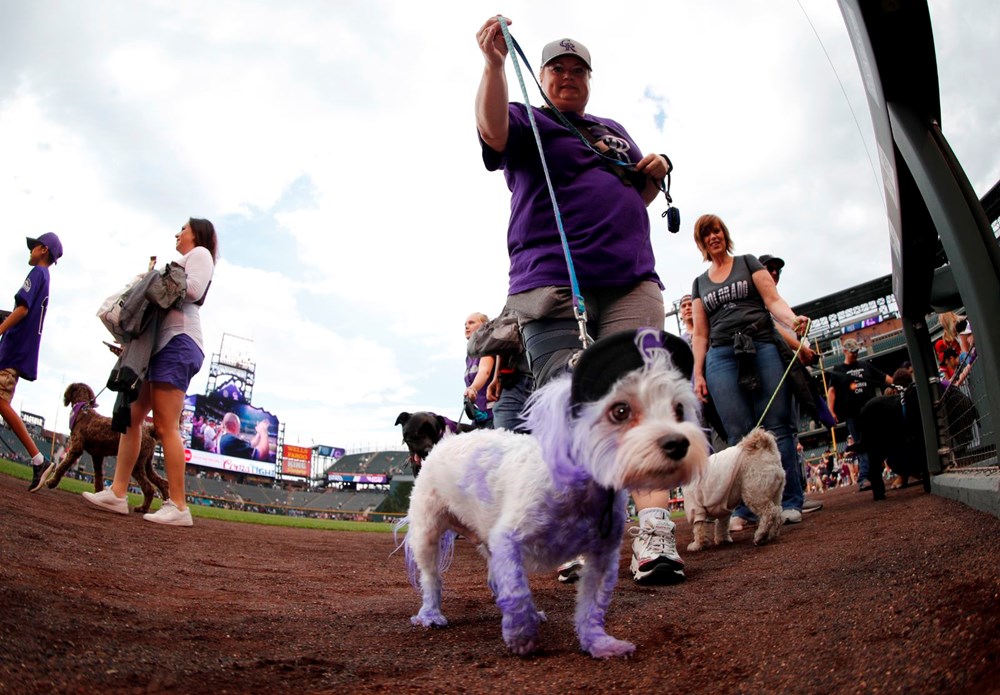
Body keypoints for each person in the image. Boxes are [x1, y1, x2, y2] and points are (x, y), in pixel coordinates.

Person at [476, 18, 682, 584]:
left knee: (644, 398)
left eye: (578, 70)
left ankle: (656, 536)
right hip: (553, 281)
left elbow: (632, 195)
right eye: (557, 69)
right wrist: (493, 65)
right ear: (541, 78)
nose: (568, 77)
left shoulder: (612, 129)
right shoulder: (529, 119)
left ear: (589, 80)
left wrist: (653, 172)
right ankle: (571, 530)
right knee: (568, 406)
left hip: (631, 279)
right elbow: (492, 131)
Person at [84, 218, 217, 526]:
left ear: (197, 233)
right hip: (162, 345)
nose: (177, 232)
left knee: (165, 424)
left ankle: (179, 505)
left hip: (179, 342)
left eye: (183, 228)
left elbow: (194, 290)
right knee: (132, 415)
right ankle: (117, 493)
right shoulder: (182, 259)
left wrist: (153, 281)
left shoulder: (200, 254)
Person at [690, 214, 811, 526]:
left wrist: (793, 319)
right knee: (737, 433)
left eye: (716, 231)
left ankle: (789, 501)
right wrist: (698, 373)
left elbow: (773, 300)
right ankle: (746, 507)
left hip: (760, 344)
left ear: (723, 233)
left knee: (778, 425)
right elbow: (700, 334)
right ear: (701, 243)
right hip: (721, 355)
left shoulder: (748, 263)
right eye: (706, 235)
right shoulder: (700, 283)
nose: (713, 237)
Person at [758, 253, 822, 514]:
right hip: (771, 372)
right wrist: (800, 347)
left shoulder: (777, 303)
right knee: (780, 433)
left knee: (789, 434)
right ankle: (785, 499)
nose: (774, 272)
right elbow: (773, 330)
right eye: (768, 268)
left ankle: (793, 496)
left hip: (787, 370)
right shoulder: (759, 301)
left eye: (777, 269)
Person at [2, 233, 63, 492]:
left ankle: (39, 460)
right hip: (19, 349)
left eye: (34, 247)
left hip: (13, 348)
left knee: (1, 403)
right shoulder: (45, 277)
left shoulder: (37, 273)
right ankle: (39, 460)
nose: (30, 250)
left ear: (43, 250)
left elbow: (23, 309)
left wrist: (1, 327)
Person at [825, 338, 892, 492]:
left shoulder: (864, 366)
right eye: (852, 352)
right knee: (861, 445)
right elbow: (832, 391)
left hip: (870, 411)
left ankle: (872, 476)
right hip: (851, 414)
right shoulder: (838, 369)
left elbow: (882, 377)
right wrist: (831, 411)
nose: (855, 355)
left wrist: (898, 383)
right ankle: (864, 479)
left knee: (874, 443)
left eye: (856, 352)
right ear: (845, 351)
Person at [463, 313, 495, 428]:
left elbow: (484, 371)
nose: (466, 326)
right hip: (479, 416)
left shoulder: (486, 347)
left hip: (493, 415)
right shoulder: (469, 357)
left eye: (471, 323)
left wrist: (473, 388)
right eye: (465, 324)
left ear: (484, 326)